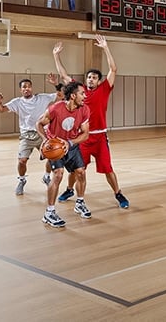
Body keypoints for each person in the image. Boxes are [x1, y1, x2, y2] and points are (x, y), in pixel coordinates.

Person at [53, 37, 130, 215]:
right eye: (88, 77)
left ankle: (118, 194)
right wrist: (56, 56)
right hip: (83, 138)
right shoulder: (80, 92)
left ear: (98, 80)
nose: (90, 79)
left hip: (100, 137)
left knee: (108, 169)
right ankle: (70, 189)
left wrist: (106, 48)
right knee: (76, 169)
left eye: (94, 77)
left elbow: (113, 69)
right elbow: (64, 76)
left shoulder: (105, 89)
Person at [37, 81, 90, 227]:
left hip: (71, 145)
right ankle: (49, 212)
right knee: (58, 174)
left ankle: (79, 203)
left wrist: (70, 143)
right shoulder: (55, 108)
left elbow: (85, 134)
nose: (85, 96)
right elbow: (39, 124)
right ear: (73, 96)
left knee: (81, 172)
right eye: (82, 93)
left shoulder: (84, 109)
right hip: (56, 145)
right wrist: (45, 140)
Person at [0, 78, 55, 196]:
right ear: (21, 90)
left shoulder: (42, 98)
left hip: (42, 133)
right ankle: (22, 180)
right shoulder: (17, 102)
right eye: (24, 87)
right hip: (26, 135)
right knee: (22, 161)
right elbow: (1, 110)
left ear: (31, 88)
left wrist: (55, 84)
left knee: (51, 157)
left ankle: (47, 177)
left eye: (28, 86)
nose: (26, 89)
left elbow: (60, 95)